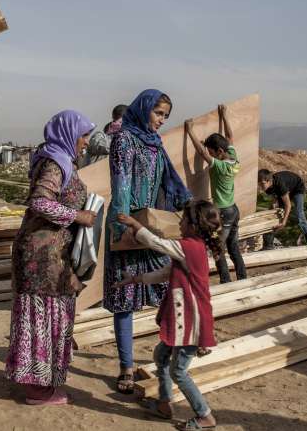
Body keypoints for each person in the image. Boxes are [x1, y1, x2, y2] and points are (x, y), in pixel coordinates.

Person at [5, 110, 97, 405]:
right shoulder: (56, 162)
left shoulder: (60, 160)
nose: (86, 142)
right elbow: (40, 201)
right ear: (70, 133)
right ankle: (36, 388)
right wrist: (77, 216)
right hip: (41, 255)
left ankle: (42, 382)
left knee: (51, 315)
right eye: (83, 135)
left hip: (53, 254)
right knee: (41, 317)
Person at [103, 89, 192, 394]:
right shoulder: (124, 139)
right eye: (158, 113)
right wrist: (125, 225)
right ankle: (126, 367)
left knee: (167, 290)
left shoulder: (155, 144)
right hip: (126, 224)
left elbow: (166, 185)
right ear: (143, 109)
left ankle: (169, 354)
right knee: (125, 297)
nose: (161, 121)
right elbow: (121, 184)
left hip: (153, 224)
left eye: (166, 116)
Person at [115, 200, 220, 431]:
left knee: (178, 371)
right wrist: (135, 279)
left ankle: (205, 416)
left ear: (194, 224)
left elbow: (156, 243)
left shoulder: (189, 247)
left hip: (191, 320)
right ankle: (164, 403)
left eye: (183, 220)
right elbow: (166, 273)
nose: (180, 223)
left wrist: (134, 224)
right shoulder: (192, 247)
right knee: (161, 357)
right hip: (184, 318)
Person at [185, 104, 244, 282]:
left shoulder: (219, 166)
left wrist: (190, 131)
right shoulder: (232, 157)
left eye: (212, 152)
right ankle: (243, 279)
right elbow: (230, 136)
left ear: (219, 152)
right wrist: (224, 115)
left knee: (218, 250)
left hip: (223, 212)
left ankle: (226, 282)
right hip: (234, 210)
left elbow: (202, 153)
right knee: (233, 248)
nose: (209, 154)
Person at [257, 169, 307, 248]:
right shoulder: (267, 187)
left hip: (297, 188)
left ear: (269, 181)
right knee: (272, 214)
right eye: (259, 184)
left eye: (262, 184)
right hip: (284, 190)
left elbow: (288, 205)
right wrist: (273, 206)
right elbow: (274, 197)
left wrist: (284, 221)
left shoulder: (280, 184)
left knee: (299, 213)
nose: (261, 187)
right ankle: (268, 244)